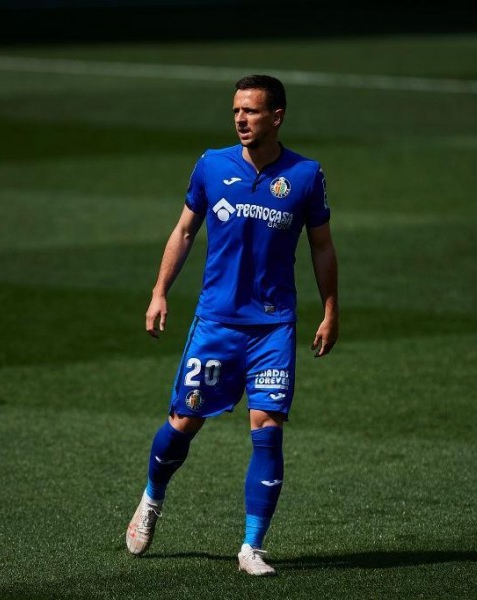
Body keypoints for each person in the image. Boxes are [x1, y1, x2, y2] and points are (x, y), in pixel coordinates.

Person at [125, 74, 339, 577]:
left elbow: (322, 245)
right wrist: (159, 293)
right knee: (184, 423)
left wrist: (330, 310)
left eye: (252, 111)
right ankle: (152, 498)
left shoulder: (305, 176)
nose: (241, 119)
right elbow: (183, 230)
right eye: (236, 111)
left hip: (273, 327)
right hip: (216, 324)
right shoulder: (211, 165)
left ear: (277, 116)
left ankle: (251, 548)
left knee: (267, 430)